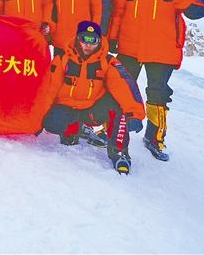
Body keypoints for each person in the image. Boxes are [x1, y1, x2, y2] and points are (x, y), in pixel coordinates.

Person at [108, 0, 204, 161]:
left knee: (158, 95)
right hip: (129, 46)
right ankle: (113, 130)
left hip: (162, 50)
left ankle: (154, 138)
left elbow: (202, 8)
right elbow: (117, 12)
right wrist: (112, 38)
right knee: (120, 89)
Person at [41, 21, 145, 174]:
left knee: (116, 106)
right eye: (84, 39)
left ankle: (119, 152)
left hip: (92, 109)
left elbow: (124, 86)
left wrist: (135, 113)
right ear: (78, 39)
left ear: (99, 41)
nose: (88, 45)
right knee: (51, 124)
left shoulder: (108, 62)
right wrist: (38, 118)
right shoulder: (62, 59)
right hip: (67, 107)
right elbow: (49, 89)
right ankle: (73, 130)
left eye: (93, 41)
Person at [44, 0, 113, 146]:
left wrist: (100, 38)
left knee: (88, 85)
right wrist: (48, 32)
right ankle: (70, 125)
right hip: (61, 44)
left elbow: (103, 9)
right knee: (64, 86)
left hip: (87, 45)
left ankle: (88, 125)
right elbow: (48, 9)